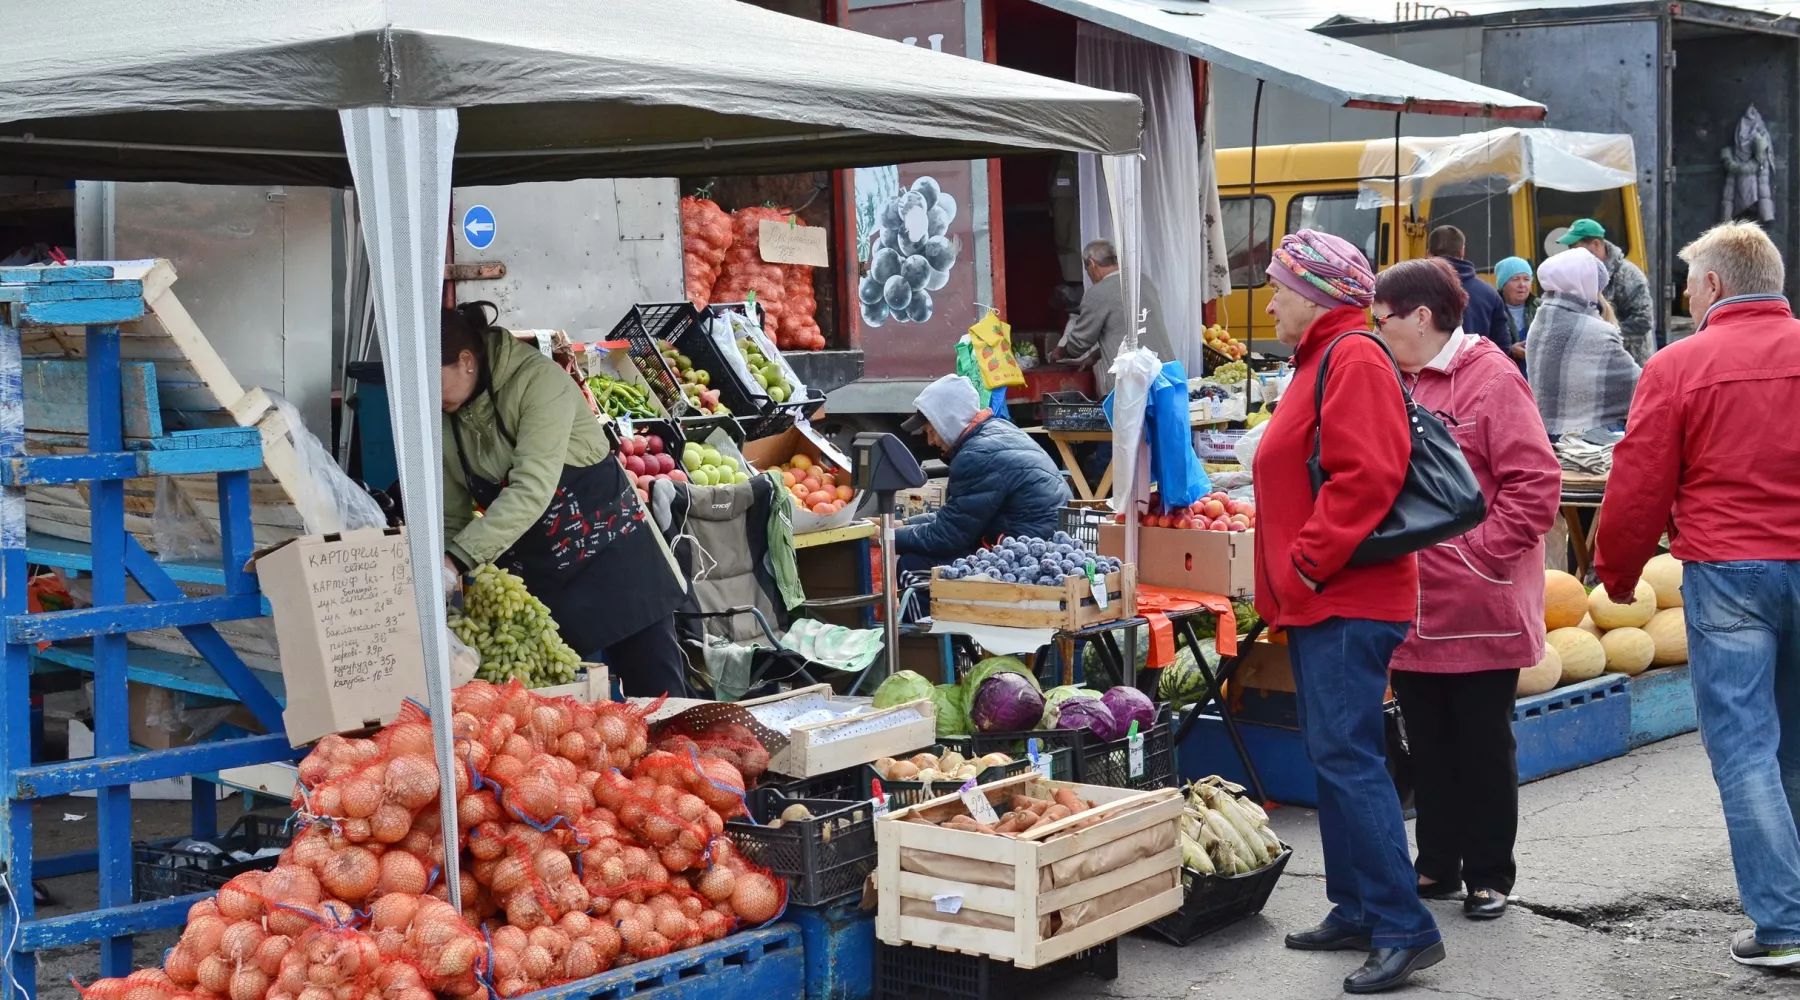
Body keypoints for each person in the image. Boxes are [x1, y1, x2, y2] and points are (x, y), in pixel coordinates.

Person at [1594, 221, 1800, 970]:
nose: (1683, 295)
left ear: (1714, 285)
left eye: (1688, 282)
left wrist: (1616, 574)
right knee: (1794, 747)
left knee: (1747, 749)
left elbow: (1640, 479)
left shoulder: (1681, 364)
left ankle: (1783, 924)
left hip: (1730, 573)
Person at [1252, 230, 1444, 993]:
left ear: (1317, 295)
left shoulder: (1352, 355)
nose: (1268, 301)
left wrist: (1305, 561)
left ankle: (1405, 926)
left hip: (1346, 597)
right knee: (1336, 756)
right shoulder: (1322, 358)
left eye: (1277, 287)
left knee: (1351, 759)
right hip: (1323, 598)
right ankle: (1357, 906)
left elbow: (1368, 475)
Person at [1371, 258, 1561, 924]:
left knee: (1481, 744)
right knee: (1426, 740)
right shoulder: (1399, 380)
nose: (1377, 331)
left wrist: (1479, 554)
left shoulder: (1491, 379)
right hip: (1412, 605)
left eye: (1384, 319)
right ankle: (1438, 863)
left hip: (1479, 605)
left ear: (1421, 317)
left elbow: (1536, 485)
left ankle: (1489, 874)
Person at [440, 302, 689, 698]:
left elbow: (531, 487)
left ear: (467, 361)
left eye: (434, 383)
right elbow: (451, 511)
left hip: (618, 566)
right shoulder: (448, 416)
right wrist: (449, 578)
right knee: (574, 713)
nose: (432, 399)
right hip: (548, 584)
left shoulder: (540, 383)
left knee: (659, 698)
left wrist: (460, 558)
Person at [893, 374, 1070, 571]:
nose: (930, 441)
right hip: (1044, 539)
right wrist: (900, 524)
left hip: (1028, 555)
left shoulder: (976, 456)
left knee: (913, 563)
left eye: (930, 430)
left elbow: (947, 536)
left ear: (948, 421)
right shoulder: (997, 430)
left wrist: (885, 537)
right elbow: (958, 517)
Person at [1524, 249, 1641, 437]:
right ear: (1583, 283)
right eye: (1596, 286)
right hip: (1591, 439)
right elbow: (1639, 387)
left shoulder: (1539, 324)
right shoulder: (1596, 331)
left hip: (1545, 435)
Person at [1050, 238, 1177, 398]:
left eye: (1086, 269)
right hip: (1167, 376)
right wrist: (1096, 355)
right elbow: (1131, 330)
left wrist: (1060, 352)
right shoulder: (1143, 281)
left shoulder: (1098, 293)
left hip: (1134, 385)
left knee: (1135, 423)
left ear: (1092, 264)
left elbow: (1079, 343)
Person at [1560, 218, 1655, 363]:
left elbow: (1643, 321)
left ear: (1596, 244)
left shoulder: (1629, 275)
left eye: (1575, 247)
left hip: (1629, 362)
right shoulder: (1580, 273)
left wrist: (1601, 336)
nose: (1571, 253)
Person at [1427, 225, 1512, 355]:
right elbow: (1503, 347)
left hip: (1423, 372)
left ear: (1428, 253)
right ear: (1462, 251)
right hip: (1479, 372)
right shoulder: (1489, 293)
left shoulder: (1409, 290)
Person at [1493, 255, 1537, 366]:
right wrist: (1510, 351)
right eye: (1515, 279)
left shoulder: (1542, 307)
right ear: (1503, 284)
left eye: (1526, 279)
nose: (1522, 285)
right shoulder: (1491, 310)